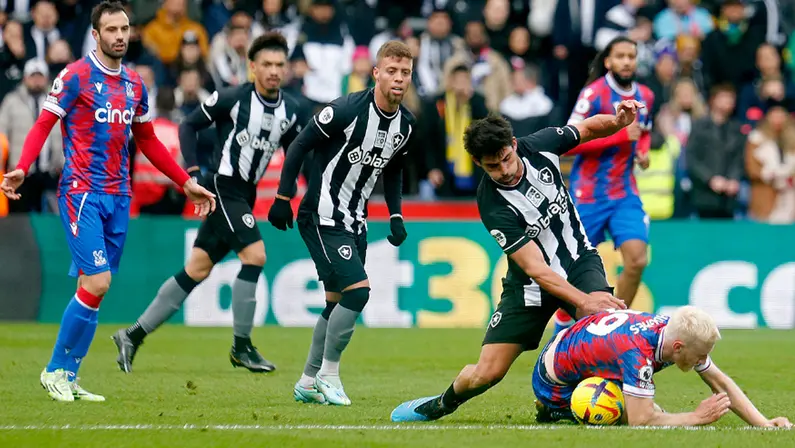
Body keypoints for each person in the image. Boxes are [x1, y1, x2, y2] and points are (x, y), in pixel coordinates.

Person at [0, 1, 216, 402]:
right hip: (81, 192)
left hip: (119, 195)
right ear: (96, 35)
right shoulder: (76, 76)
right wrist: (23, 166)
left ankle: (70, 374)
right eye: (112, 30)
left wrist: (184, 180)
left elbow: (148, 140)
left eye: (125, 29)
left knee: (94, 285)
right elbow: (45, 123)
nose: (120, 36)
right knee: (98, 281)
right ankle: (54, 370)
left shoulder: (134, 84)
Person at [390, 99, 643, 422]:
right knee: (487, 373)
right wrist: (584, 302)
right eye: (493, 167)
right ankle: (442, 403)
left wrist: (619, 122)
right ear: (478, 163)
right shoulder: (491, 203)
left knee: (606, 332)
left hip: (579, 261)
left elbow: (589, 127)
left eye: (506, 159)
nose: (504, 171)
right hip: (529, 286)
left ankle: (558, 403)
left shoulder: (541, 145)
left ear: (513, 145)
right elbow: (536, 267)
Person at [112, 32, 303, 374]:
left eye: (279, 65)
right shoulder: (231, 98)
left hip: (244, 193)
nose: (274, 71)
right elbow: (189, 125)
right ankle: (241, 347)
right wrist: (194, 173)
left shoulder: (291, 108)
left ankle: (132, 335)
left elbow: (293, 152)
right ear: (252, 67)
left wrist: (284, 196)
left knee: (197, 268)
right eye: (267, 64)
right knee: (255, 255)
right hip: (222, 188)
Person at [267, 40, 416, 406]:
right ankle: (329, 375)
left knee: (335, 304)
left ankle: (306, 381)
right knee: (358, 292)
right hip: (321, 214)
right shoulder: (347, 109)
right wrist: (284, 197)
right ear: (376, 73)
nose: (399, 79)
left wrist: (395, 213)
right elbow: (299, 145)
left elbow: (394, 167)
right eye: (392, 71)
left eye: (406, 73)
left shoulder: (406, 126)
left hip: (355, 220)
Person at [532, 306, 793, 428]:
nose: (702, 361)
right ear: (678, 347)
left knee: (649, 407)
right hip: (554, 382)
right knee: (623, 411)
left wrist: (764, 423)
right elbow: (641, 421)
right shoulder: (638, 354)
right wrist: (695, 417)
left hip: (572, 349)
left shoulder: (673, 330)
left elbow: (720, 382)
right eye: (700, 355)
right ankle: (555, 408)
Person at [552, 36, 656, 333]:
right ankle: (563, 322)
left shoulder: (646, 95)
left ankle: (612, 325)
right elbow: (569, 142)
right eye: (620, 56)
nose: (626, 61)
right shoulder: (593, 94)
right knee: (574, 268)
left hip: (624, 193)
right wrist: (620, 136)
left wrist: (643, 151)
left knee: (636, 260)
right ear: (608, 61)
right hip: (589, 195)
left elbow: (643, 131)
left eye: (631, 56)